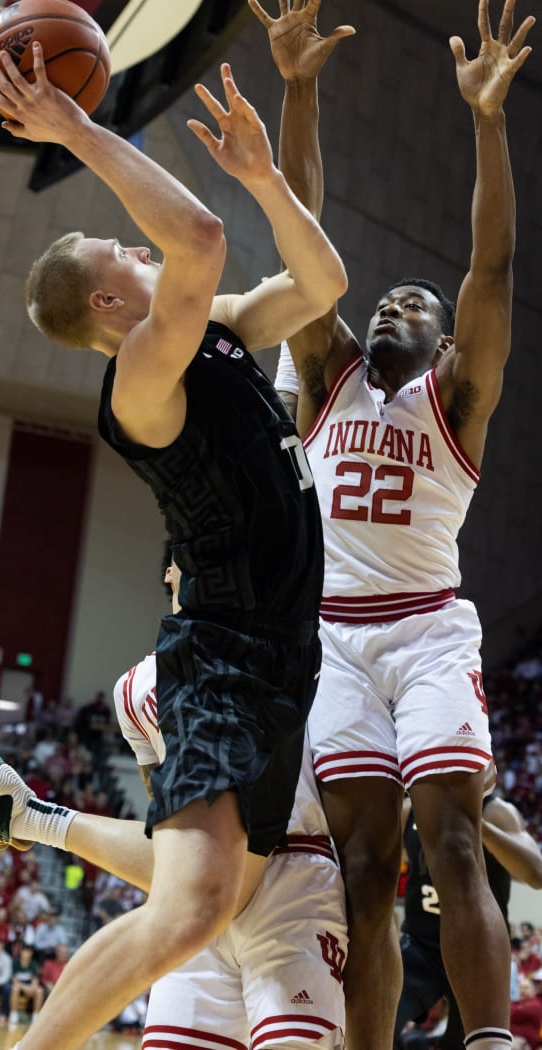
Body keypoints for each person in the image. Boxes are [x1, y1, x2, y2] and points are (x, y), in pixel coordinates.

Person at [0, 20, 347, 1049]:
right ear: (111, 300)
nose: (139, 245)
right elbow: (197, 237)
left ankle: (30, 816)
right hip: (225, 653)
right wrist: (74, 126)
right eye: (121, 251)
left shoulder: (220, 332)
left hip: (282, 658)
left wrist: (266, 180)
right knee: (192, 908)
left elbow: (323, 285)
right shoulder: (141, 381)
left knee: (207, 895)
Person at [250, 1, 535, 1049]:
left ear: (445, 343)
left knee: (454, 847)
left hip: (425, 633)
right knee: (365, 873)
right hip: (333, 641)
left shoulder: (456, 400)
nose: (387, 308)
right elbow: (301, 243)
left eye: (414, 305)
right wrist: (299, 89)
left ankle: (490, 1041)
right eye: (383, 301)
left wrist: (487, 122)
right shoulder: (323, 373)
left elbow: (491, 272)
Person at [111, 540, 347, 1048]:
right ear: (171, 571)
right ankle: (35, 818)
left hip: (293, 871)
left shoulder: (278, 647)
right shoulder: (131, 691)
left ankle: (35, 817)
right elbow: (160, 800)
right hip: (201, 885)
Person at [396, 791, 542, 1049]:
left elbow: (536, 873)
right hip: (420, 946)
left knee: (466, 1043)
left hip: (479, 949)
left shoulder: (497, 812)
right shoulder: (410, 810)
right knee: (373, 1023)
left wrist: (477, 825)